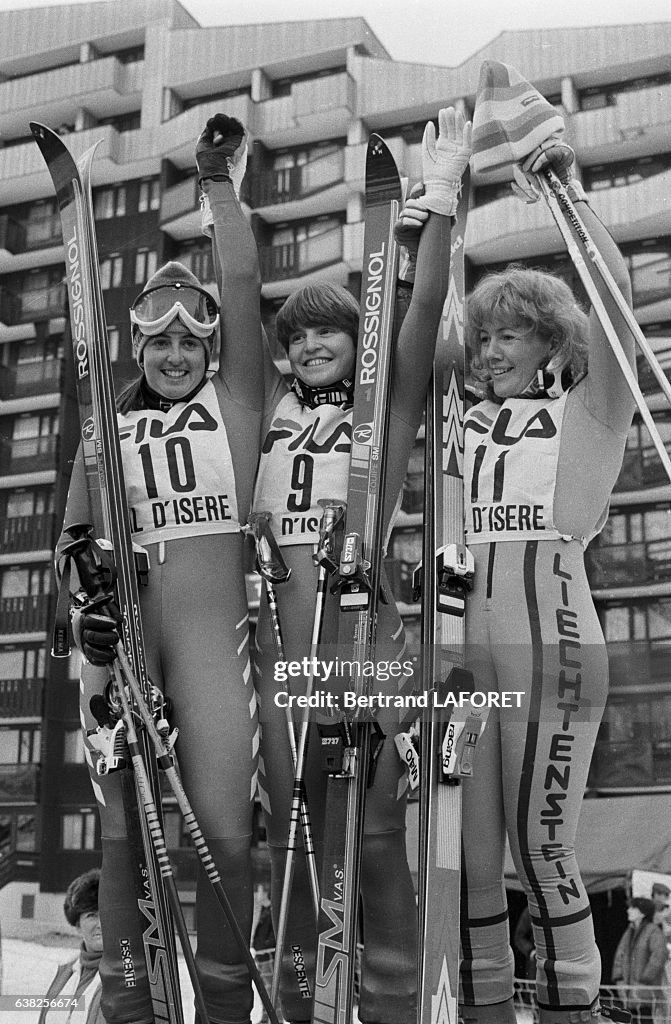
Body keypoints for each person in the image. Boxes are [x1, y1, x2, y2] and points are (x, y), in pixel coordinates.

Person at [251, 108, 471, 1024]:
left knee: (378, 824)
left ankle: (389, 1006)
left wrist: (436, 212)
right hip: (273, 643)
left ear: (357, 341)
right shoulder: (260, 412)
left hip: (364, 632)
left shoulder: (383, 411)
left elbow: (421, 322)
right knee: (294, 836)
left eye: (327, 332)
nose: (307, 345)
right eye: (295, 336)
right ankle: (299, 1002)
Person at [58, 115, 264, 1024]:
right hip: (128, 644)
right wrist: (86, 623)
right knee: (123, 833)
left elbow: (247, 288)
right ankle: (130, 1010)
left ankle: (222, 1010)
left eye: (189, 341)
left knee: (222, 833)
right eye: (157, 342)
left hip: (214, 642)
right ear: (135, 348)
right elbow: (70, 543)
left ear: (208, 350)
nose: (175, 354)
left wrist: (219, 186)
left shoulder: (238, 403)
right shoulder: (103, 429)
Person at [458, 68, 636, 1024]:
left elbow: (610, 296)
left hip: (552, 630)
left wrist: (568, 191)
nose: (490, 351)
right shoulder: (468, 420)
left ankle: (578, 1010)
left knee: (542, 846)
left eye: (512, 333)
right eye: (485, 335)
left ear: (550, 341)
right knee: (473, 856)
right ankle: (489, 1010)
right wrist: (438, 201)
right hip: (468, 639)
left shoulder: (588, 412)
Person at [39, 869, 106, 1024]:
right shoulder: (65, 971)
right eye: (91, 915)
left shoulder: (126, 976)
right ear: (77, 924)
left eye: (106, 915)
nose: (100, 924)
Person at [612, 898, 668, 1024]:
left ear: (642, 913)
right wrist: (619, 979)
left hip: (646, 994)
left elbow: (659, 955)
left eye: (633, 908)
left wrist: (644, 979)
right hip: (628, 992)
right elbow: (619, 956)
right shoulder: (629, 932)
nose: (628, 910)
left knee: (646, 1019)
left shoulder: (653, 931)